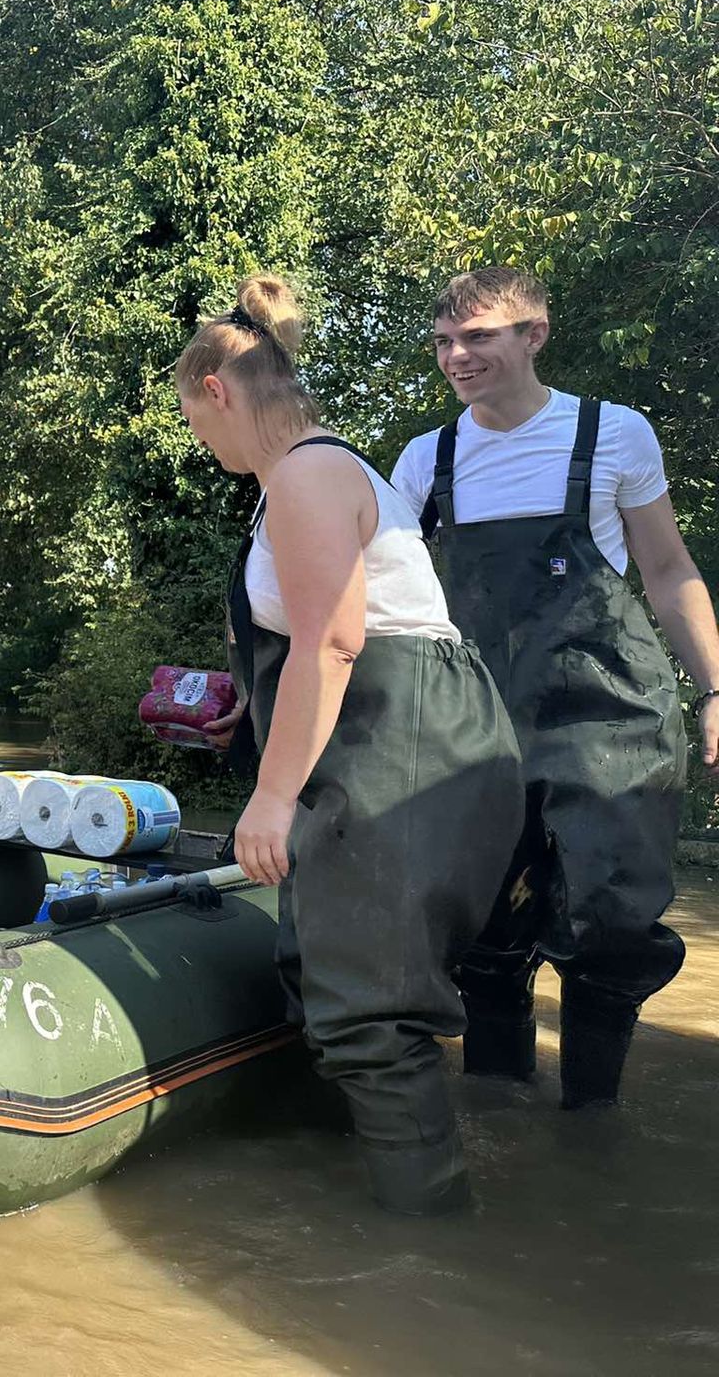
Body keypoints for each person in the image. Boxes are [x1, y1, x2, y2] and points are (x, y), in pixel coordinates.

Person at [182, 275, 522, 1214]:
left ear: (218, 391)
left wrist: (271, 797)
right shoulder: (307, 477)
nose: (205, 450)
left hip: (409, 747)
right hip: (396, 735)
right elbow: (323, 641)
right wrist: (250, 715)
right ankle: (346, 1216)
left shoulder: (306, 473)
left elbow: (336, 640)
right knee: (329, 986)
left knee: (371, 1017)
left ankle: (427, 1260)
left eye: (198, 427)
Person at [392, 267, 719, 1108]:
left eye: (478, 338)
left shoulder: (614, 435)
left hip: (610, 717)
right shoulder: (429, 458)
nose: (456, 356)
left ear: (533, 336)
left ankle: (591, 1127)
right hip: (477, 730)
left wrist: (716, 688)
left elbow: (669, 569)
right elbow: (381, 596)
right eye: (443, 342)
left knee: (609, 926)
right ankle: (502, 1114)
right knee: (484, 931)